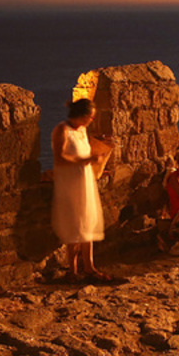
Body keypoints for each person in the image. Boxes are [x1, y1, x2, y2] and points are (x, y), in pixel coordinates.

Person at [51, 98, 116, 282]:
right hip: (70, 184)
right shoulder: (62, 130)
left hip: (85, 182)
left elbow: (84, 154)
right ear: (82, 114)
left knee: (87, 222)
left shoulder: (82, 130)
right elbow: (60, 158)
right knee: (74, 225)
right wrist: (85, 161)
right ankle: (73, 270)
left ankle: (89, 266)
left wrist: (97, 159)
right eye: (90, 116)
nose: (92, 120)